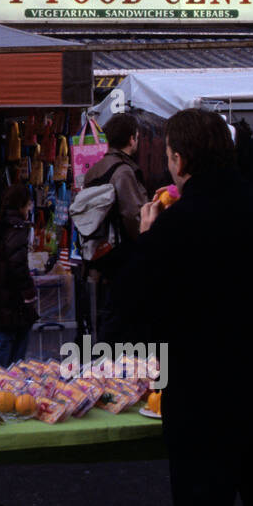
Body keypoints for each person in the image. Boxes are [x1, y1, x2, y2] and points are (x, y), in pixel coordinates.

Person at [116, 109, 253, 506]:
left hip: (202, 405)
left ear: (180, 161)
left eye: (170, 155)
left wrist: (148, 241)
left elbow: (136, 310)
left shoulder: (174, 227)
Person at [80, 113, 148, 341]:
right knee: (123, 321)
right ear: (132, 139)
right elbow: (132, 215)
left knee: (105, 314)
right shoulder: (124, 171)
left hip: (98, 253)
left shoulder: (94, 171)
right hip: (122, 255)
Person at [0, 184, 38, 367]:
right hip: (12, 292)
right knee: (13, 335)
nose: (30, 208)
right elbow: (17, 263)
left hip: (0, 290)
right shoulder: (17, 228)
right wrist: (28, 291)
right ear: (22, 204)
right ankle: (7, 378)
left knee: (6, 335)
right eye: (29, 204)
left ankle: (1, 378)